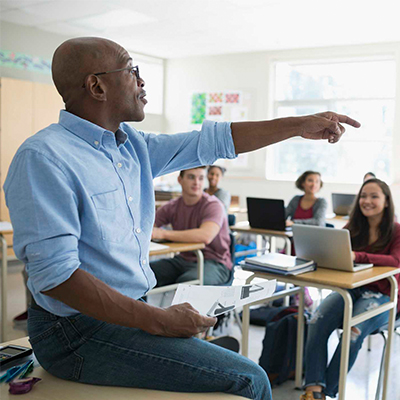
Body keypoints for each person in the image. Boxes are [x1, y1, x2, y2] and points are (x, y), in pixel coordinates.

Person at [3, 36, 360, 400]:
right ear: (97, 85)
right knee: (251, 379)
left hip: (124, 313)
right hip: (75, 333)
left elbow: (217, 141)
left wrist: (298, 125)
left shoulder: (133, 146)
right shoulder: (44, 157)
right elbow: (57, 278)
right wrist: (158, 320)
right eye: (132, 71)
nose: (142, 82)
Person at [300, 178, 400, 400]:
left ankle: (327, 391)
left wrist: (358, 256)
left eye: (374, 196)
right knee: (317, 320)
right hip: (350, 292)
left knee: (353, 332)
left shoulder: (396, 231)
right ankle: (314, 391)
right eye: (363, 196)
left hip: (384, 295)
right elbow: (335, 253)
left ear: (386, 201)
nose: (367, 201)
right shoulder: (352, 229)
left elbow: (395, 261)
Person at [151, 166, 231, 286]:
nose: (196, 183)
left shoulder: (213, 205)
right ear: (180, 180)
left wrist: (162, 233)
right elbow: (147, 226)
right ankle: (141, 305)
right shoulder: (173, 206)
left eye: (201, 178)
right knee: (142, 273)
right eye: (191, 177)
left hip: (214, 262)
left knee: (188, 283)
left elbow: (205, 236)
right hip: (183, 259)